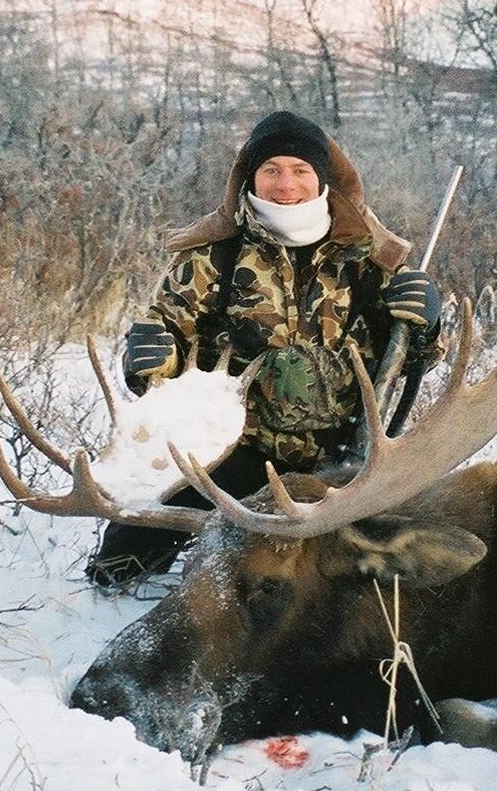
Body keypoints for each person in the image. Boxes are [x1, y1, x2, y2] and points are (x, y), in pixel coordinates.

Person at [87, 110, 443, 586]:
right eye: (271, 170)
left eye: (300, 170)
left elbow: (411, 361)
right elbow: (165, 338)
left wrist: (427, 324)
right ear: (250, 178)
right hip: (236, 453)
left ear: (323, 180)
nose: (285, 184)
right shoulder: (214, 256)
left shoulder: (368, 260)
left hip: (344, 457)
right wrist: (148, 356)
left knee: (407, 564)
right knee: (116, 566)